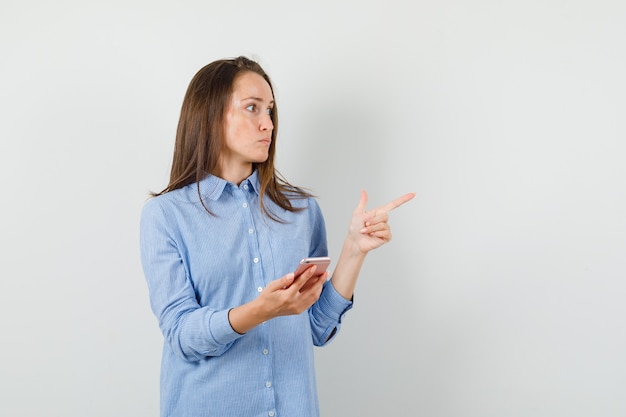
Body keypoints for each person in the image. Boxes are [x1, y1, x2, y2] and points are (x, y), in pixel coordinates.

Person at [139, 56, 414, 417]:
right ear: (209, 115)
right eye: (252, 109)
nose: (267, 124)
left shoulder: (300, 211)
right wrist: (258, 312)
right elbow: (181, 335)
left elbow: (316, 327)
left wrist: (354, 250)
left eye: (270, 111)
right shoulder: (166, 215)